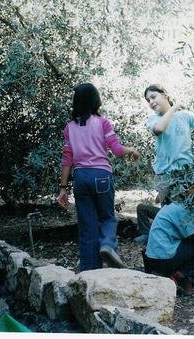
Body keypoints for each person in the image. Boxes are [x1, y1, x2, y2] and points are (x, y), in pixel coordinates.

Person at [57, 83, 141, 272]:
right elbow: (118, 150)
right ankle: (107, 245)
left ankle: (89, 271)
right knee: (108, 218)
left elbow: (67, 159)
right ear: (96, 100)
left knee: (87, 227)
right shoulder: (102, 123)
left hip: (80, 178)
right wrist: (132, 150)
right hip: (101, 175)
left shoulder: (69, 128)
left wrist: (63, 188)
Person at [142, 185, 194, 294]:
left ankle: (172, 274)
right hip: (163, 259)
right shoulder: (181, 210)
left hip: (152, 258)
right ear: (184, 192)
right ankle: (182, 276)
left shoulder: (173, 206)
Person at [144, 84, 194, 205]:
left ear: (164, 94)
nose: (151, 102)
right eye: (148, 100)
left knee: (191, 210)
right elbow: (159, 129)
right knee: (167, 212)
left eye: (153, 97)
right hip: (164, 174)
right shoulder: (153, 119)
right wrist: (174, 107)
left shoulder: (185, 116)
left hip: (186, 171)